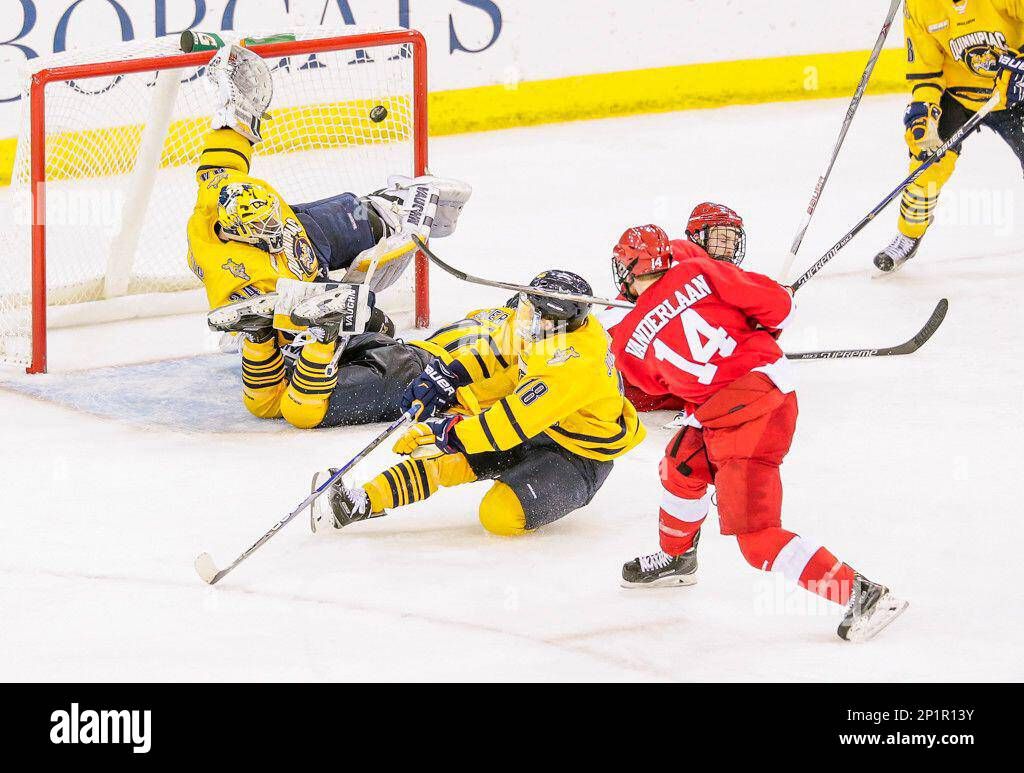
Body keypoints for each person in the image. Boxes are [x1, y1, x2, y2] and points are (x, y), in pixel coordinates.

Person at [609, 224, 907, 642]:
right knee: (682, 464)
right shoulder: (703, 272)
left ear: (627, 272)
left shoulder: (624, 341)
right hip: (748, 394)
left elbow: (659, 388)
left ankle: (864, 595)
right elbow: (780, 307)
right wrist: (748, 329)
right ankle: (678, 560)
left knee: (756, 539)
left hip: (752, 417)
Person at [188, 43, 470, 427]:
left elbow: (227, 141)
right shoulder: (245, 279)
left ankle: (381, 211)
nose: (276, 233)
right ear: (241, 235)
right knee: (337, 324)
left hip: (299, 269)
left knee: (335, 220)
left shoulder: (222, 189)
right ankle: (319, 352)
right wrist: (385, 261)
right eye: (266, 233)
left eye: (274, 224)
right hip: (285, 305)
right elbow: (292, 319)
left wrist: (238, 109)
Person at [309, 270, 646, 537]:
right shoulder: (545, 325)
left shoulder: (572, 364)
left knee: (498, 516)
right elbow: (495, 351)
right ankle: (361, 502)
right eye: (528, 309)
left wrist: (445, 431)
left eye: (535, 315)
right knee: (443, 458)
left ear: (558, 322)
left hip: (578, 456)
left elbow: (504, 426)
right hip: (541, 425)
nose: (525, 320)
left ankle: (536, 478)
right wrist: (445, 376)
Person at [874, 0, 1024, 272]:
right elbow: (926, 74)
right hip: (957, 96)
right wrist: (924, 112)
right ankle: (909, 234)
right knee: (926, 166)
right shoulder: (919, 5)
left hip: (1013, 93)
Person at [599, 202, 746, 414]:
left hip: (625, 370)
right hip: (626, 370)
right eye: (723, 239)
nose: (729, 248)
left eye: (733, 242)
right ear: (698, 236)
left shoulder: (698, 267)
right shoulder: (683, 254)